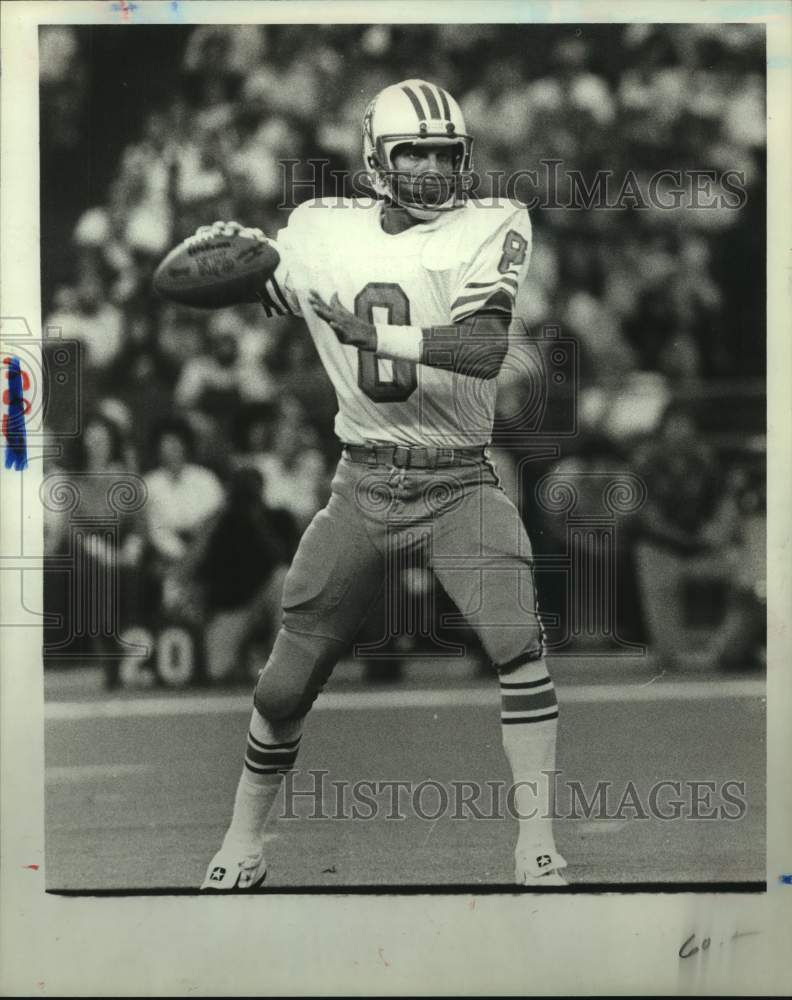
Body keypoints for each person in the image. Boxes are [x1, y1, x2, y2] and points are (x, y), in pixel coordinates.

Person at [199, 80, 567, 890]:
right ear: (376, 160)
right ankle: (242, 841)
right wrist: (231, 256)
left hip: (459, 479)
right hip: (363, 479)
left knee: (517, 645)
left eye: (446, 155)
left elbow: (482, 346)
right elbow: (262, 286)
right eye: (416, 154)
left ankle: (537, 845)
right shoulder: (319, 230)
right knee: (284, 683)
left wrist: (381, 334)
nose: (435, 170)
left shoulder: (493, 220)